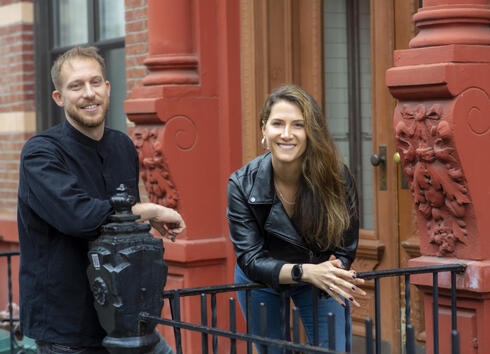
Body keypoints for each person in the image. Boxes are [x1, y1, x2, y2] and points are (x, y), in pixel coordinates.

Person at [17, 46, 185, 354]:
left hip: (126, 321)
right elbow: (79, 216)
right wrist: (147, 210)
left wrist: (139, 223)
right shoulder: (40, 153)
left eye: (95, 82)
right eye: (76, 86)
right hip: (66, 330)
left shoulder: (122, 146)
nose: (89, 93)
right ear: (59, 98)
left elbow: (121, 229)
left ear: (107, 88)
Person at [227, 84, 366, 352]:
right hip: (262, 277)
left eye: (298, 125)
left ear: (310, 133)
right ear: (263, 131)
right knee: (272, 350)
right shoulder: (241, 183)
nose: (287, 134)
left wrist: (334, 268)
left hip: (321, 272)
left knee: (335, 349)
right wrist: (305, 272)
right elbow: (251, 259)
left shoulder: (337, 177)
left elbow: (345, 244)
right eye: (278, 123)